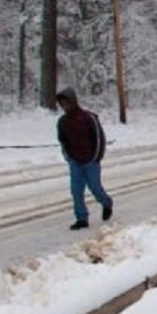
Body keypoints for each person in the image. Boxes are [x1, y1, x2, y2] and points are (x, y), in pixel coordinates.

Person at [56, 87, 113, 230]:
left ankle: (106, 203)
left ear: (73, 101)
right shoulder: (62, 122)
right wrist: (68, 157)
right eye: (62, 104)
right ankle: (81, 218)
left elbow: (99, 138)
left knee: (95, 188)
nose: (65, 106)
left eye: (66, 103)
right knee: (76, 190)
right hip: (75, 161)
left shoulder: (89, 118)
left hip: (91, 160)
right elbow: (63, 141)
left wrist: (96, 157)